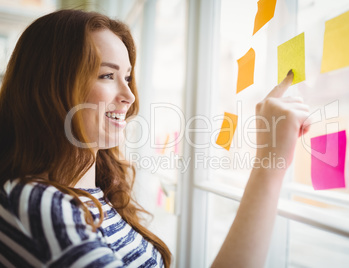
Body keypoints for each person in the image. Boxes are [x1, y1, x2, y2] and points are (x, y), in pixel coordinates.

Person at [0, 9, 309, 268]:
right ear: (50, 86)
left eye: (128, 77)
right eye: (107, 76)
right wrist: (270, 162)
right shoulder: (40, 204)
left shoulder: (92, 193)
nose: (130, 97)